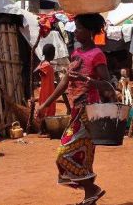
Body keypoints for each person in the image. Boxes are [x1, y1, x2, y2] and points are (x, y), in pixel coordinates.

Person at [37, 13, 115, 205]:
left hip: (89, 112)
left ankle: (92, 189)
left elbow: (108, 84)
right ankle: (90, 196)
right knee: (84, 156)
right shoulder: (76, 53)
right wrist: (45, 104)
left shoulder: (97, 55)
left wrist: (88, 80)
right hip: (76, 111)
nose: (76, 31)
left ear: (89, 31)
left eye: (79, 28)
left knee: (64, 153)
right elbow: (65, 82)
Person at [35, 44, 56, 120]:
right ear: (51, 54)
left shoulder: (43, 63)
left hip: (46, 89)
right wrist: (41, 75)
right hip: (47, 91)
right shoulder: (46, 65)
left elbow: (37, 71)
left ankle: (43, 127)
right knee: (48, 108)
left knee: (45, 108)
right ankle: (45, 127)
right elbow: (36, 71)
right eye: (54, 53)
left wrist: (41, 77)